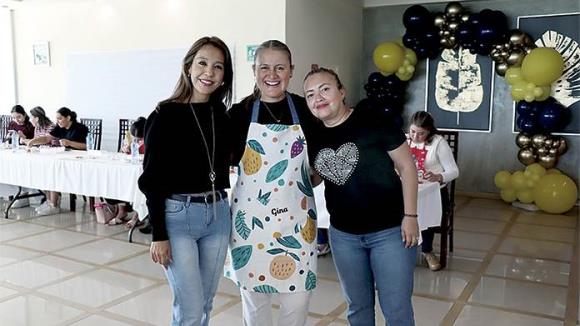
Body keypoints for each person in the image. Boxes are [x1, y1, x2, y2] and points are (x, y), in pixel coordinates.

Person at [303, 67, 419, 326]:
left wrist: (411, 216)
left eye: (325, 89)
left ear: (341, 92)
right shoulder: (314, 137)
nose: (318, 98)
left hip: (390, 232)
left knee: (396, 308)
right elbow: (319, 175)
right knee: (358, 307)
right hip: (344, 236)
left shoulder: (373, 120)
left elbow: (407, 167)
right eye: (310, 95)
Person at [138, 36, 233, 326]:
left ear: (224, 75)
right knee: (190, 308)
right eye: (203, 63)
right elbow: (152, 179)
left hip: (217, 214)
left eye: (218, 67)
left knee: (205, 302)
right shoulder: (164, 114)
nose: (209, 72)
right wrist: (158, 234)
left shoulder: (222, 114)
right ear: (189, 66)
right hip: (178, 216)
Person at [224, 40, 319, 326]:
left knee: (298, 302)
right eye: (264, 67)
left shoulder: (306, 110)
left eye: (280, 67)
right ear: (254, 70)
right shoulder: (239, 114)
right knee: (255, 307)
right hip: (251, 226)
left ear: (291, 71)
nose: (272, 74)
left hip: (298, 222)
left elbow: (322, 159)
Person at [408, 111, 459, 271]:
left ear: (429, 131)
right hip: (409, 188)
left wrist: (438, 176)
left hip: (435, 192)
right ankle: (401, 251)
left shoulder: (439, 143)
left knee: (426, 211)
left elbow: (454, 171)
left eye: (421, 134)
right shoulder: (404, 140)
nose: (415, 137)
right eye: (412, 132)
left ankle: (427, 250)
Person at [29, 107, 89, 216]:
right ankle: (49, 201)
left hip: (79, 160)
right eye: (56, 119)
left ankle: (54, 204)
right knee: (46, 168)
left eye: (60, 119)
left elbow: (86, 146)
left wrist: (70, 143)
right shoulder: (59, 127)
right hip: (65, 158)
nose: (57, 121)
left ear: (68, 118)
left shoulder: (80, 128)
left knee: (53, 171)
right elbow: (47, 138)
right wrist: (33, 141)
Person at [103, 117, 147, 227]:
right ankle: (122, 211)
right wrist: (124, 149)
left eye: (139, 137)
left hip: (143, 170)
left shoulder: (152, 136)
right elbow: (123, 150)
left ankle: (137, 216)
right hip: (130, 167)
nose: (137, 138)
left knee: (139, 187)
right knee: (116, 181)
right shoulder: (130, 135)